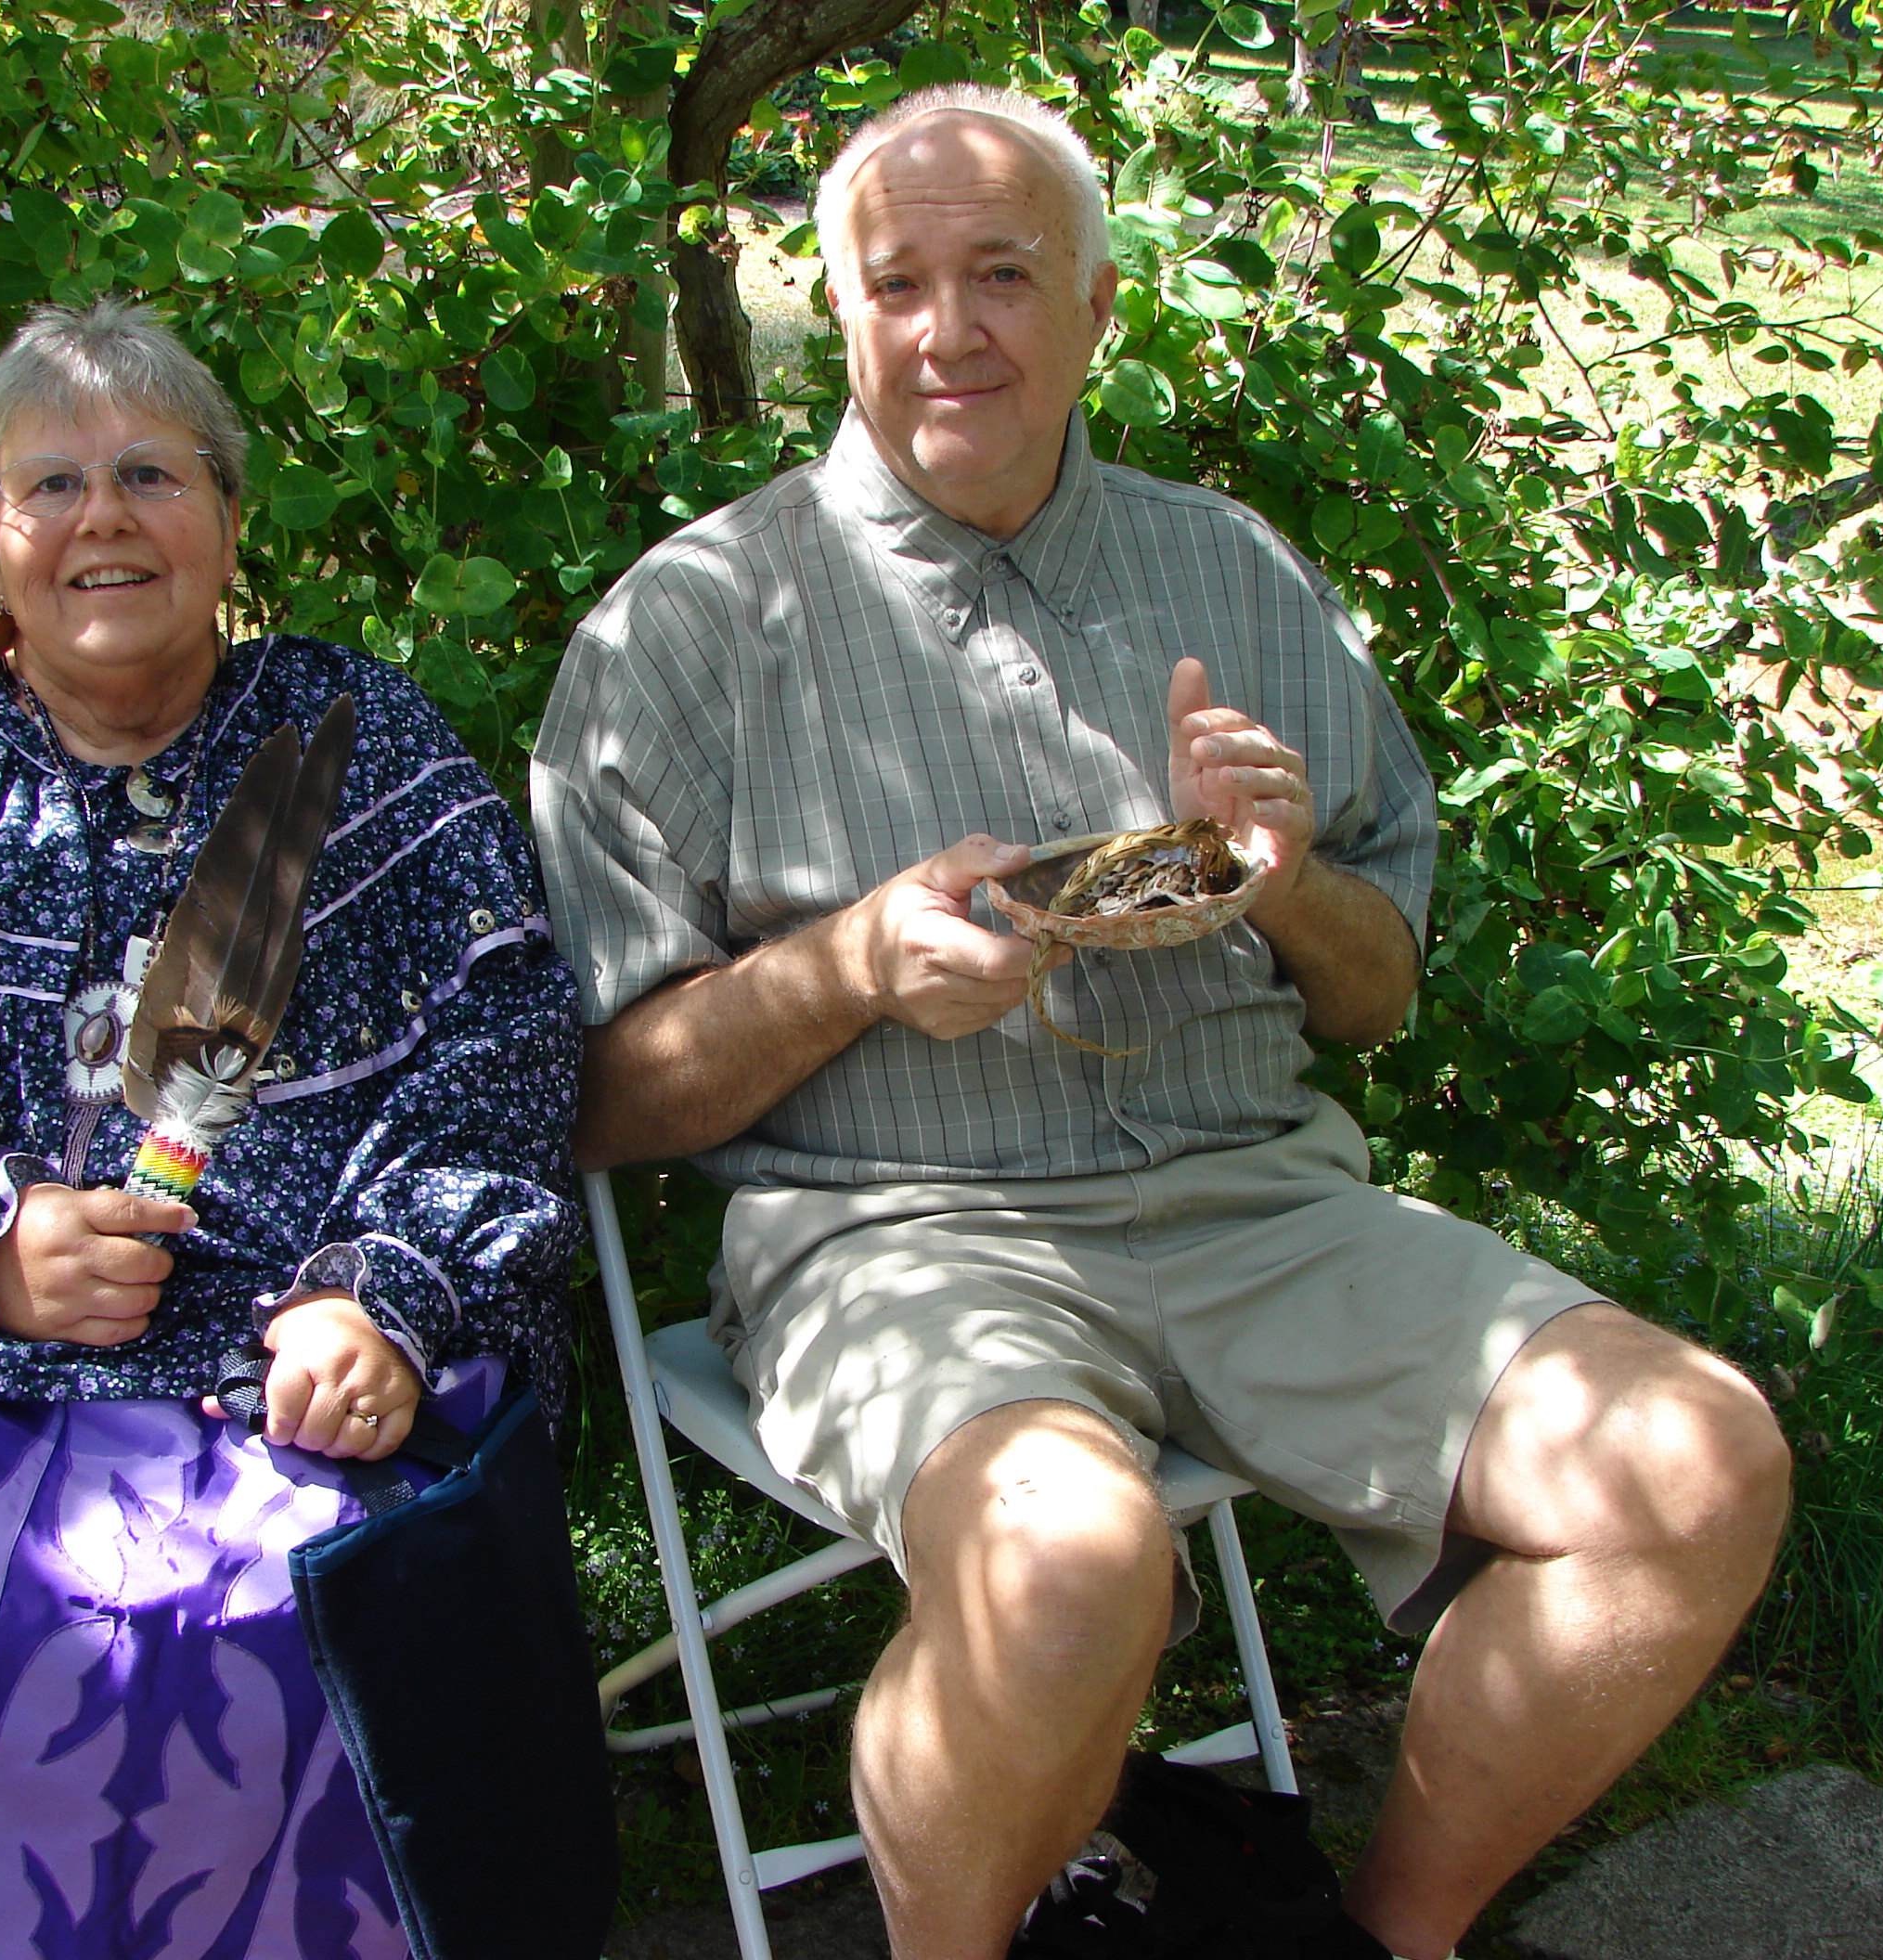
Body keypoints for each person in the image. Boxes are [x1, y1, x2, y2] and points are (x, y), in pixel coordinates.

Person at [530, 85, 1791, 1960]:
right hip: (897, 1234)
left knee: (1696, 1461)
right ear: (844, 315)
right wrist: (854, 963)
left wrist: (1282, 880)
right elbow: (603, 1101)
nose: (951, 330)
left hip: (1256, 1205)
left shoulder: (1238, 580)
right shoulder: (691, 627)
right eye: (897, 284)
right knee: (1072, 1563)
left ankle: (1386, 1935)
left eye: (1004, 275)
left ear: (1099, 309)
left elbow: (1377, 996)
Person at [0, 296, 583, 1960]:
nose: (102, 518)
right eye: (48, 484)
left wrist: (388, 1290)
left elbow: (503, 1063)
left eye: (150, 471)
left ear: (225, 515)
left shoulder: (362, 755)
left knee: (276, 1636)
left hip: (290, 1365)